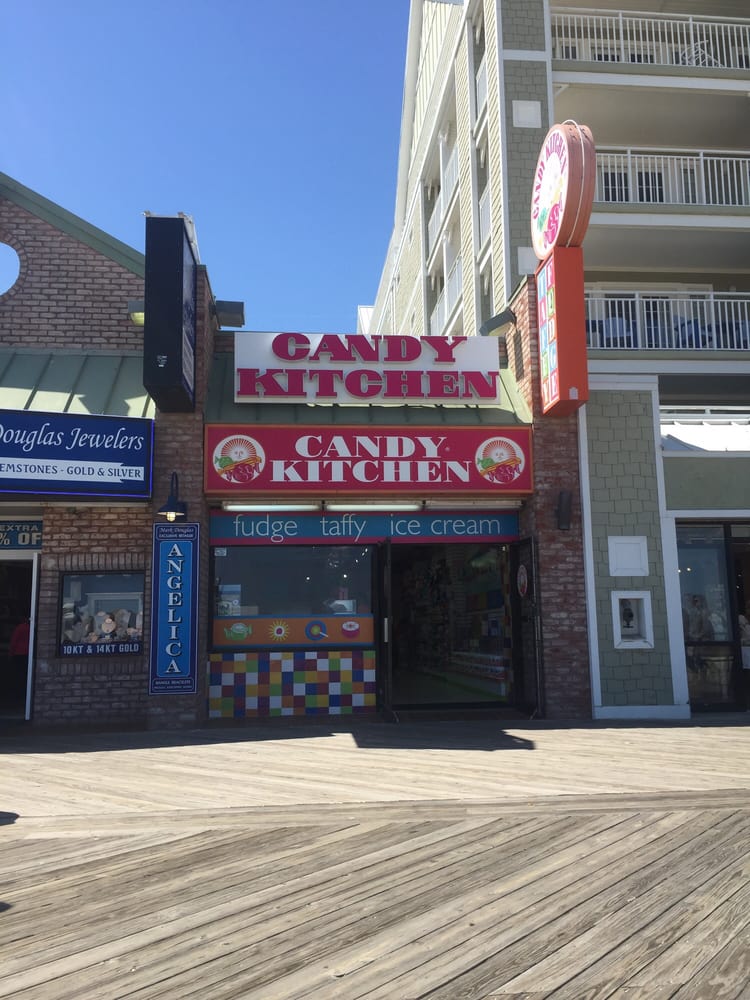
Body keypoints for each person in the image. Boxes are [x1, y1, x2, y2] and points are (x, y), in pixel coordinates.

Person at [9, 617, 30, 699]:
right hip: (27, 655)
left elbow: (14, 641)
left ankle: (17, 694)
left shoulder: (20, 628)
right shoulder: (31, 629)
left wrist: (10, 654)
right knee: (25, 675)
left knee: (18, 675)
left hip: (18, 654)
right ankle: (24, 693)